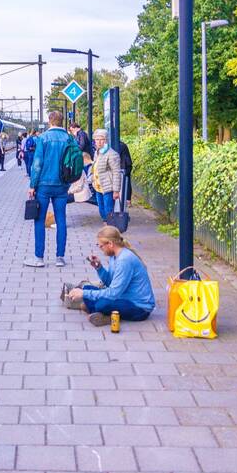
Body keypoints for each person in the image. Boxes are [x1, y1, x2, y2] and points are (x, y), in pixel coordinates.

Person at [64, 226, 156, 326]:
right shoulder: (114, 256)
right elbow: (110, 284)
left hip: (139, 308)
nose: (100, 249)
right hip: (122, 297)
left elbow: (112, 293)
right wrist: (99, 268)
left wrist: (84, 294)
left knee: (101, 304)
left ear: (110, 244)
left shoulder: (124, 260)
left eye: (101, 246)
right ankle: (99, 312)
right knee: (87, 287)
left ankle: (100, 312)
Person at [26, 112, 75, 268]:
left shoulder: (43, 138)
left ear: (49, 122)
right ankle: (60, 258)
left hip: (44, 186)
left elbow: (37, 163)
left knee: (39, 220)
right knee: (61, 220)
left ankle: (39, 258)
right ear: (62, 121)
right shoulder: (69, 138)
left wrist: (32, 185)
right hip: (62, 185)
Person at [90, 129, 121, 223]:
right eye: (97, 139)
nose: (99, 142)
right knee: (101, 210)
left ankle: (110, 228)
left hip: (108, 187)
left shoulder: (112, 154)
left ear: (106, 140)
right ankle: (107, 225)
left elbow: (116, 173)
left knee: (108, 211)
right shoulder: (97, 153)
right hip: (98, 186)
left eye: (101, 139)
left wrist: (116, 190)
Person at [117, 139, 133, 207]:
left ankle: (127, 200)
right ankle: (128, 200)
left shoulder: (119, 146)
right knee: (127, 183)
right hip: (127, 165)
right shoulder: (122, 144)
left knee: (126, 183)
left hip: (124, 166)